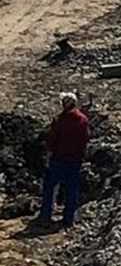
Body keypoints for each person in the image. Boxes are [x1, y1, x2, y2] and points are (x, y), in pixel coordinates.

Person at [40, 92, 90, 229]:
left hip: (59, 159)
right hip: (75, 160)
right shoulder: (83, 120)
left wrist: (48, 156)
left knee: (49, 187)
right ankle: (68, 219)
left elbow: (52, 140)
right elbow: (85, 139)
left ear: (64, 104)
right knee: (72, 190)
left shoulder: (59, 120)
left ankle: (45, 216)